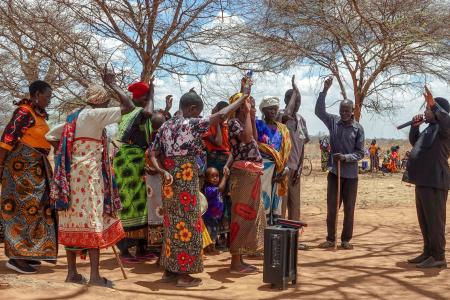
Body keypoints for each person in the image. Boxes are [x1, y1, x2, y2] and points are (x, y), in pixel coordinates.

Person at [149, 89, 248, 287]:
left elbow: (153, 152)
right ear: (192, 109)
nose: (198, 116)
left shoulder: (166, 125)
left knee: (172, 225)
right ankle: (184, 276)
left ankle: (170, 271)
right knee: (188, 225)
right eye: (197, 111)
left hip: (168, 179)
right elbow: (220, 115)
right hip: (185, 177)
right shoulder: (191, 124)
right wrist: (243, 97)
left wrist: (161, 171)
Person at [47, 79, 135, 287]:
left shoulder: (74, 117)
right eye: (106, 102)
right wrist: (113, 84)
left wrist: (66, 151)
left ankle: (72, 274)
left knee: (72, 222)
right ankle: (95, 276)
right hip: (89, 178)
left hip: (69, 178)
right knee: (92, 221)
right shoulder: (95, 115)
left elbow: (50, 134)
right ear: (101, 102)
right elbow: (129, 107)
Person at [0, 80, 57, 274]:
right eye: (47, 96)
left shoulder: (38, 115)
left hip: (35, 170)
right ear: (36, 94)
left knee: (37, 210)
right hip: (20, 170)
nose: (49, 100)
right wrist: (0, 166)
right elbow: (7, 140)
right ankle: (17, 257)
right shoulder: (24, 112)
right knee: (23, 210)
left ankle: (29, 252)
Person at [315, 77, 365, 250]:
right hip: (334, 174)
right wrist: (324, 91)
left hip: (351, 176)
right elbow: (319, 111)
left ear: (352, 111)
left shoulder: (358, 128)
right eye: (342, 110)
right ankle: (330, 238)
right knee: (332, 208)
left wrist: (345, 157)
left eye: (347, 111)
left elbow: (360, 153)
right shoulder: (333, 122)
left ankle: (345, 240)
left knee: (349, 209)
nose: (344, 113)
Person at [110, 79, 155, 263]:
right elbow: (149, 112)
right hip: (128, 162)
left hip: (137, 160)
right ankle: (125, 251)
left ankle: (141, 249)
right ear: (141, 98)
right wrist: (152, 94)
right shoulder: (135, 111)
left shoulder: (137, 114)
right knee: (128, 204)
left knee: (142, 204)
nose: (148, 100)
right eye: (146, 97)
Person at [403, 87, 449, 268]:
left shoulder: (445, 129)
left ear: (438, 112)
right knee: (425, 220)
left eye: (428, 109)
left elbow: (447, 119)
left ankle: (439, 257)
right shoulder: (430, 129)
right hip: (423, 180)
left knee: (435, 220)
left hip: (435, 181)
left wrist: (434, 106)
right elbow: (416, 144)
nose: (425, 111)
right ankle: (428, 252)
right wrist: (415, 127)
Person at [224, 92, 265, 274]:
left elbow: (254, 137)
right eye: (248, 103)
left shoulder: (245, 120)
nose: (252, 105)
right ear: (239, 106)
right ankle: (235, 263)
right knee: (241, 216)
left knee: (252, 215)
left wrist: (252, 115)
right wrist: (248, 114)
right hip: (243, 174)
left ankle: (241, 258)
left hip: (251, 173)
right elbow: (247, 139)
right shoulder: (233, 123)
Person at [278, 75, 309, 223]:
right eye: (294, 101)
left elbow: (302, 147)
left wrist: (300, 168)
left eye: (299, 102)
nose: (297, 104)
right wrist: (295, 91)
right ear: (287, 101)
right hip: (282, 169)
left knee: (295, 206)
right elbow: (286, 115)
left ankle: (294, 239)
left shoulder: (301, 120)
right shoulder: (280, 117)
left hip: (296, 169)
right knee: (281, 206)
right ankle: (281, 241)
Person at [256, 96, 292, 225]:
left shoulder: (283, 129)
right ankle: (262, 232)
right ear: (263, 110)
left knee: (276, 200)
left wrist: (285, 169)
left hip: (280, 168)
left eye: (275, 109)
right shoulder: (258, 125)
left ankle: (274, 231)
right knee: (263, 198)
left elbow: (286, 150)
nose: (273, 112)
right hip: (263, 167)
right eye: (270, 109)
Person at [202, 167, 228, 252]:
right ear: (206, 178)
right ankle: (210, 248)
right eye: (212, 176)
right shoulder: (209, 189)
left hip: (215, 216)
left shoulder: (214, 188)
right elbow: (220, 188)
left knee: (214, 231)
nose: (215, 178)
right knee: (211, 232)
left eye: (217, 176)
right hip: (209, 216)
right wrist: (225, 177)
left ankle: (211, 247)